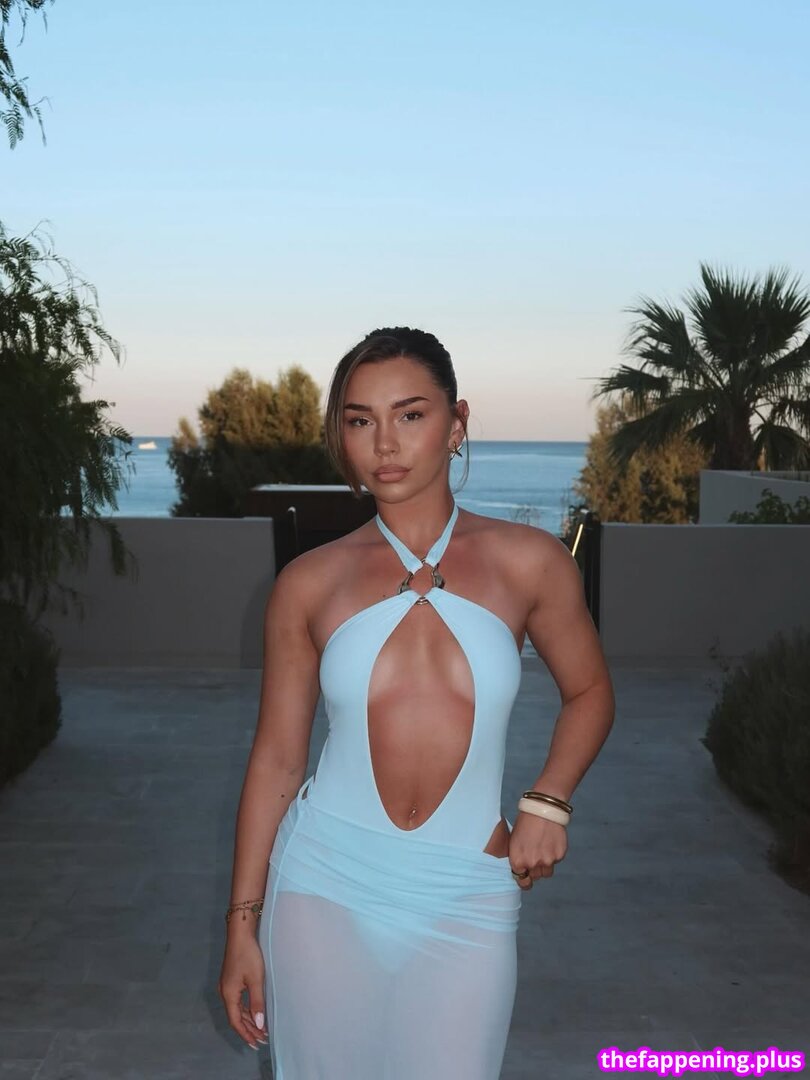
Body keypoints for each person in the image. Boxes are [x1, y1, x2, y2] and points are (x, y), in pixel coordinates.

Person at [218, 327, 615, 1078]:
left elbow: (591, 692)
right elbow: (277, 758)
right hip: (323, 880)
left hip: (468, 887)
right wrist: (243, 922)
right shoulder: (309, 582)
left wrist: (549, 800)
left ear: (456, 423)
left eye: (410, 414)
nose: (384, 444)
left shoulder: (529, 562)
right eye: (359, 420)